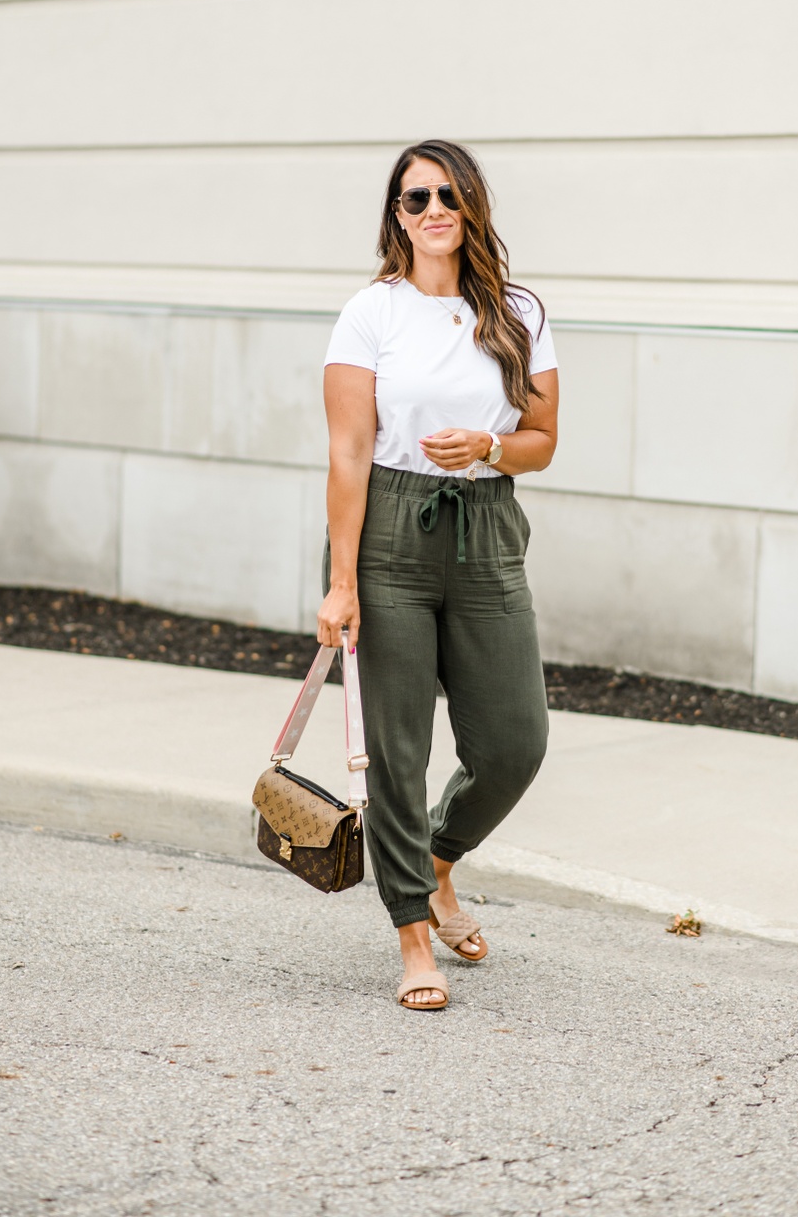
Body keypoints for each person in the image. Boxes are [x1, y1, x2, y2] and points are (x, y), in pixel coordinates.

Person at [317, 138, 559, 1010]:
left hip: (486, 528)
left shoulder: (519, 312)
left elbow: (542, 442)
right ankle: (414, 936)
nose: (434, 211)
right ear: (398, 214)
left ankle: (437, 858)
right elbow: (349, 454)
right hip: (390, 530)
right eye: (416, 198)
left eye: (448, 196)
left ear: (472, 205)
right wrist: (342, 581)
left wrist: (490, 445)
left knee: (514, 743)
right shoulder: (369, 314)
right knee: (398, 751)